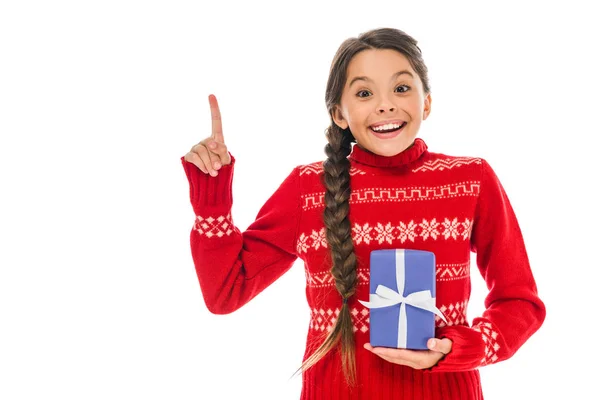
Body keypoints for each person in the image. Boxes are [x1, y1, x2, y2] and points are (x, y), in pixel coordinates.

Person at [180, 27, 546, 400]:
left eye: (401, 88)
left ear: (427, 102)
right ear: (340, 113)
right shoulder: (307, 188)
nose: (385, 104)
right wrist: (212, 198)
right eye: (364, 93)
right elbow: (226, 292)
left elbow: (521, 303)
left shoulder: (471, 179)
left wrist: (459, 347)